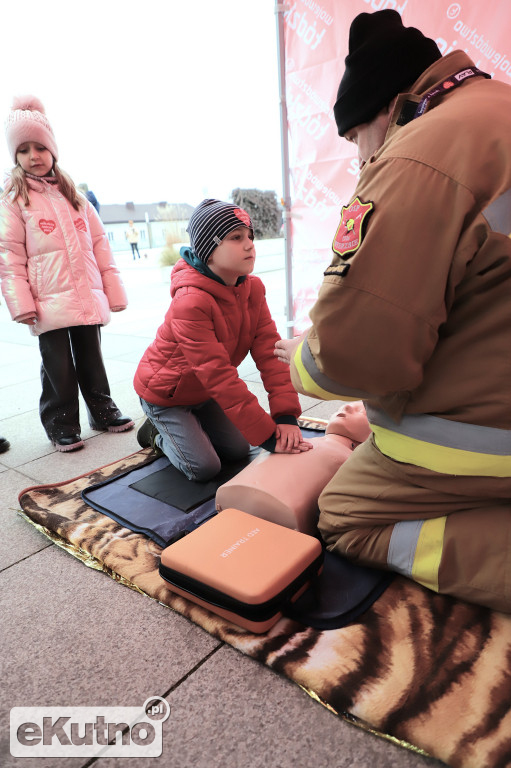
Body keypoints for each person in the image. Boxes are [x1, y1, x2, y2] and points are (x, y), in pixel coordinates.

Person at [275, 10, 511, 613]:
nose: (359, 160)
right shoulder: (497, 110)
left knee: (345, 514)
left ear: (386, 110)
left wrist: (302, 358)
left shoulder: (418, 151)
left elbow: (360, 347)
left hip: (486, 441)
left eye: (355, 140)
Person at [134, 198, 312, 482]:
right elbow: (219, 376)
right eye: (236, 237)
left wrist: (286, 416)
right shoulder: (191, 301)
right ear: (208, 251)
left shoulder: (252, 289)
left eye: (250, 236)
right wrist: (267, 436)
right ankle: (155, 433)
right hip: (166, 395)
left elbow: (271, 354)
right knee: (204, 468)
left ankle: (195, 426)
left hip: (203, 393)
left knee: (239, 449)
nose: (249, 244)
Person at [0, 96, 134, 452]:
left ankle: (102, 409)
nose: (33, 156)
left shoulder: (75, 196)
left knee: (91, 357)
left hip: (85, 294)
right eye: (24, 149)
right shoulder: (14, 199)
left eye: (40, 147)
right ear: (16, 156)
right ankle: (61, 422)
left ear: (53, 150)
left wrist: (113, 292)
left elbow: (101, 245)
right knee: (57, 366)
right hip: (46, 300)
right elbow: (9, 254)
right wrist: (20, 302)